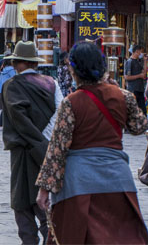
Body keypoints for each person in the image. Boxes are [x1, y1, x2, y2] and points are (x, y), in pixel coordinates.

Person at [36, 41, 148, 244]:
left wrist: (45, 188)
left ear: (74, 69)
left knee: (79, 236)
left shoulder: (71, 102)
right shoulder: (124, 96)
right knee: (120, 237)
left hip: (79, 181)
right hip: (116, 178)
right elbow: (139, 126)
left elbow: (57, 149)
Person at [0, 41, 58, 244]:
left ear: (17, 63)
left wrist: (38, 144)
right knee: (43, 201)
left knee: (22, 203)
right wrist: (48, 145)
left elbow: (19, 119)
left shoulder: (11, 86)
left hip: (24, 151)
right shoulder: (51, 83)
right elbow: (60, 113)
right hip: (47, 148)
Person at [124, 45, 146, 116]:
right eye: (141, 52)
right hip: (133, 90)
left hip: (140, 90)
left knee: (143, 112)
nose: (141, 54)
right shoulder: (129, 62)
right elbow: (126, 77)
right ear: (136, 52)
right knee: (134, 112)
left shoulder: (138, 62)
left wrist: (145, 61)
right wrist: (139, 76)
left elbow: (144, 74)